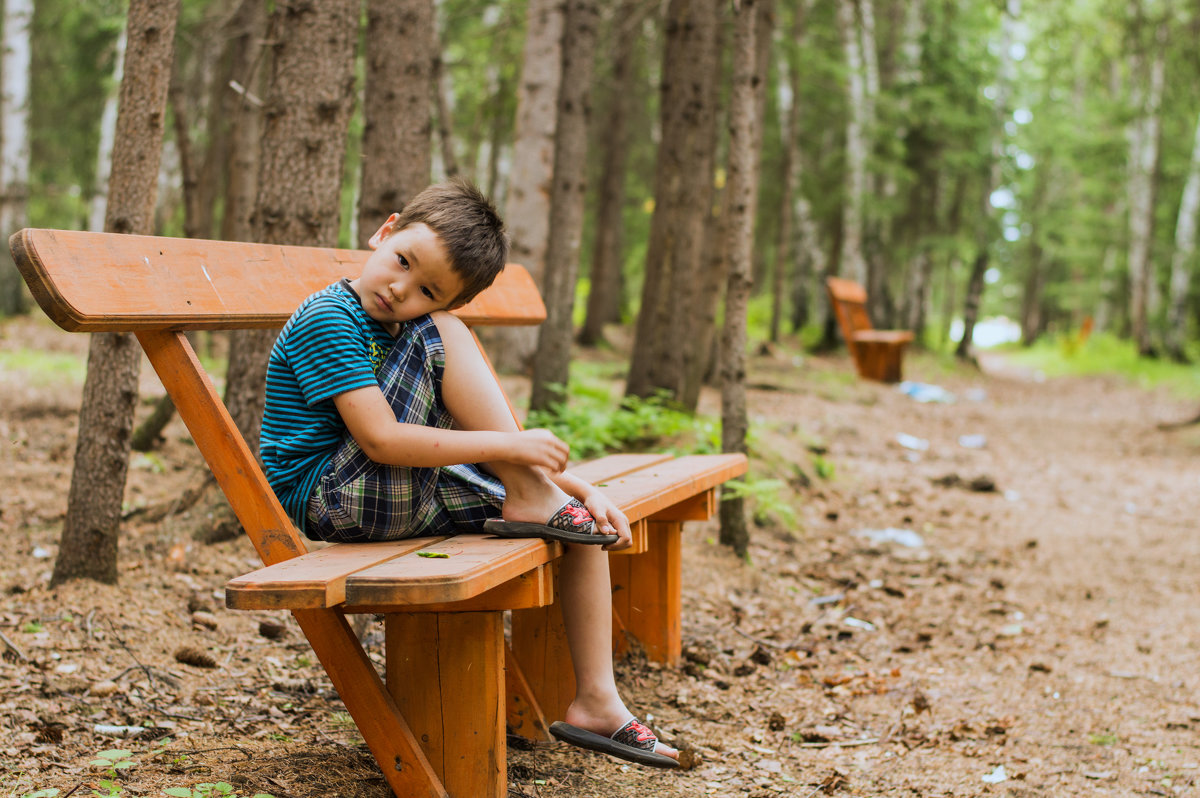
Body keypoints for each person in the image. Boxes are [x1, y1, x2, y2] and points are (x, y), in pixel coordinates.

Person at [259, 179, 679, 769]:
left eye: (426, 291)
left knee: (575, 523)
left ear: (443, 296)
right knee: (449, 340)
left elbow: (431, 438)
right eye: (401, 261)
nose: (400, 289)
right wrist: (517, 448)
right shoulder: (331, 318)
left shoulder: (408, 328)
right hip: (334, 494)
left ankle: (597, 702)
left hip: (386, 489)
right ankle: (534, 493)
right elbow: (382, 441)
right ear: (385, 230)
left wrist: (577, 487)